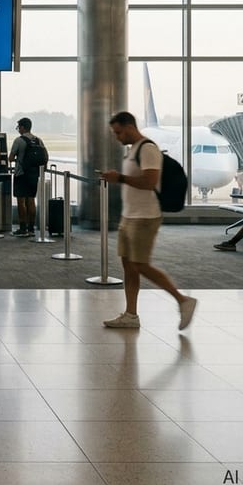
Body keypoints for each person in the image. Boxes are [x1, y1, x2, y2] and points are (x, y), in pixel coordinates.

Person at [99, 111, 197, 331]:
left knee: (139, 264)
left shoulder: (148, 149)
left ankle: (183, 300)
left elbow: (149, 181)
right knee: (128, 265)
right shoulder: (132, 150)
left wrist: (120, 178)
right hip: (130, 215)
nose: (117, 137)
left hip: (145, 216)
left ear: (129, 127)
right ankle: (131, 314)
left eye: (118, 132)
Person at [8, 117, 43, 237]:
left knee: (21, 200)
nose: (18, 129)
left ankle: (23, 228)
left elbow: (11, 158)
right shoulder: (38, 140)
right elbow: (44, 156)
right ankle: (31, 228)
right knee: (31, 200)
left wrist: (19, 159)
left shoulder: (19, 140)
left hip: (21, 174)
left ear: (23, 127)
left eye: (19, 127)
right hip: (34, 174)